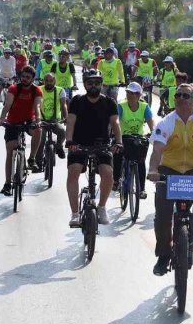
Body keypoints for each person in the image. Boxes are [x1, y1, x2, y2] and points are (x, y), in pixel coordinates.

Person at [147, 82, 193, 275]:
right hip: (168, 170)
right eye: (178, 95)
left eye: (185, 96)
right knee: (162, 215)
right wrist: (153, 169)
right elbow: (157, 150)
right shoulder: (166, 122)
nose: (180, 99)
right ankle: (163, 255)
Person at [65, 70, 122, 227]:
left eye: (97, 83)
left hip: (102, 144)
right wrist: (69, 141)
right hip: (78, 143)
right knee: (73, 171)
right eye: (90, 83)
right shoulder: (77, 101)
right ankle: (75, 213)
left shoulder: (109, 102)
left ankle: (102, 207)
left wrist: (118, 142)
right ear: (85, 84)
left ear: (101, 84)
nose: (94, 86)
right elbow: (70, 122)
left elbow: (115, 124)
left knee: (108, 173)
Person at [0, 66, 43, 195]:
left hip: (29, 120)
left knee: (38, 131)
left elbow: (37, 106)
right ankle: (7, 183)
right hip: (13, 121)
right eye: (23, 76)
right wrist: (2, 118)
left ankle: (32, 159)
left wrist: (38, 120)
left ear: (32, 79)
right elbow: (7, 105)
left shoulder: (36, 90)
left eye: (28, 77)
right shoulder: (14, 88)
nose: (24, 79)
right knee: (10, 151)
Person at [112, 81, 155, 196]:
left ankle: (141, 189)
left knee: (141, 161)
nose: (130, 95)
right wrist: (113, 134)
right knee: (117, 155)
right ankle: (116, 180)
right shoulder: (121, 106)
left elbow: (151, 122)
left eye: (134, 93)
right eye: (128, 92)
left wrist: (154, 133)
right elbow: (115, 122)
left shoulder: (144, 107)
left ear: (139, 95)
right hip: (123, 137)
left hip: (138, 138)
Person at [39, 72, 68, 159]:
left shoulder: (60, 90)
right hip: (41, 121)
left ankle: (59, 147)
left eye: (51, 80)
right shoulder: (38, 89)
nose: (49, 82)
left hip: (55, 120)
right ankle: (38, 161)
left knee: (62, 132)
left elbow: (63, 105)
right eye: (46, 81)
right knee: (41, 138)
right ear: (43, 81)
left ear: (54, 81)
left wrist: (65, 118)